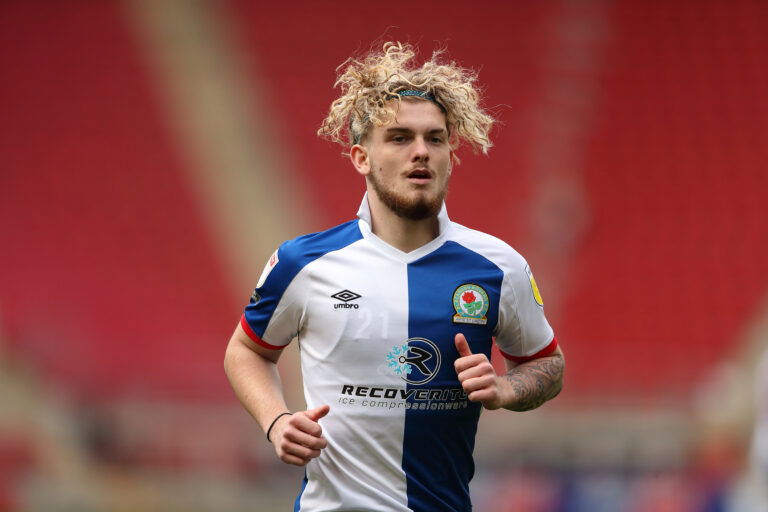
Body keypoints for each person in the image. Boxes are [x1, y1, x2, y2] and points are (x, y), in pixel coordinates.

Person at [224, 41, 565, 512]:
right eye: (400, 138)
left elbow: (548, 366)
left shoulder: (496, 265)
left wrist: (506, 389)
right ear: (361, 158)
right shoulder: (304, 263)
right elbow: (246, 350)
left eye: (435, 138)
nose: (420, 152)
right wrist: (276, 420)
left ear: (450, 153)